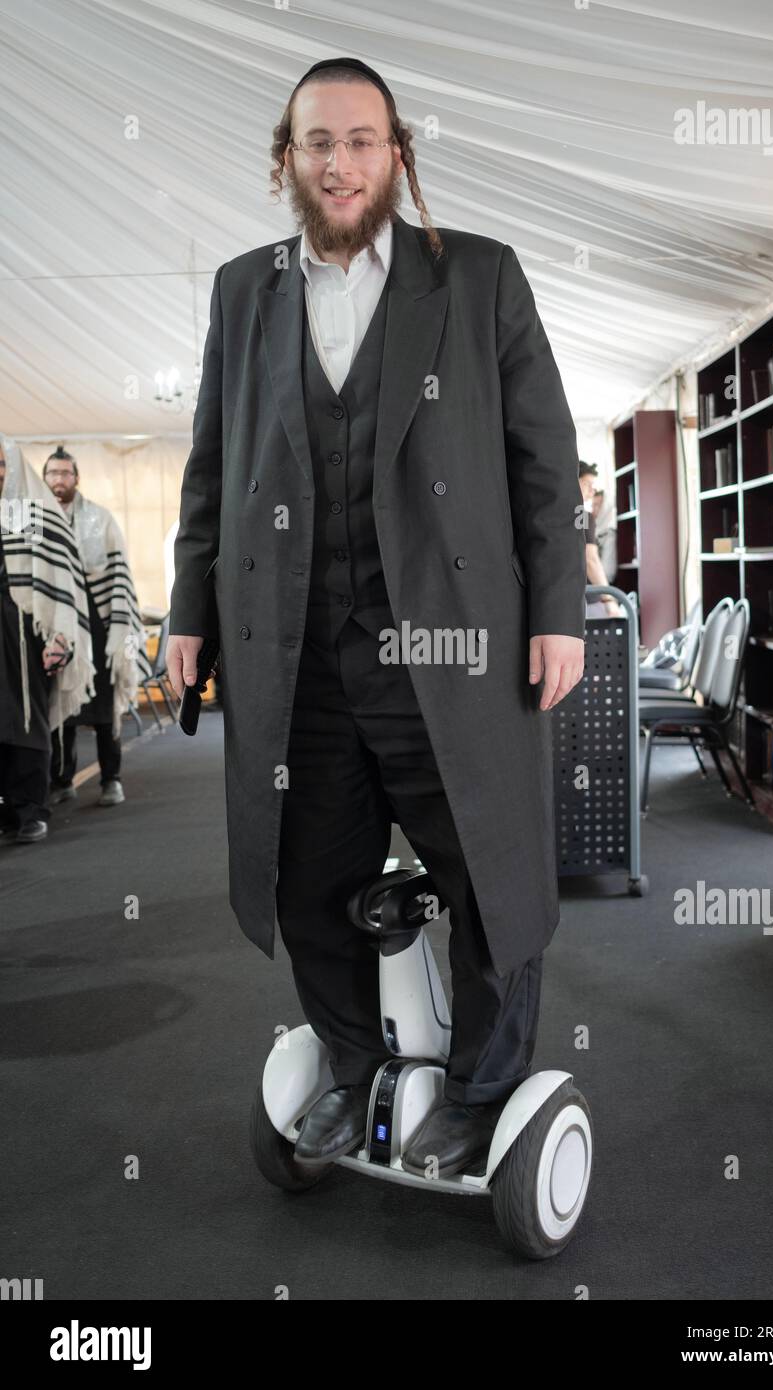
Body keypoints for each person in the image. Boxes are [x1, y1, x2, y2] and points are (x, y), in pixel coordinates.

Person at [167, 56, 586, 1178]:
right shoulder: (241, 290)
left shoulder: (478, 276)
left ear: (396, 154)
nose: (340, 162)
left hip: (450, 646)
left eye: (361, 140)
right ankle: (352, 1072)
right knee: (311, 874)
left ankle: (482, 1086)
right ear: (285, 160)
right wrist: (185, 612)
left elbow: (543, 459)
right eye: (318, 142)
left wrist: (557, 608)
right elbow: (211, 467)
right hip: (292, 652)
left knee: (486, 872)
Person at [0, 437, 94, 842]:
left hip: (24, 635)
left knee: (26, 722)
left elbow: (63, 580)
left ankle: (31, 810)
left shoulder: (38, 513)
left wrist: (61, 638)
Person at [44, 447, 147, 808]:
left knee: (104, 707)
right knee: (64, 704)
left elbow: (120, 576)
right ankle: (62, 779)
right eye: (53, 473)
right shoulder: (36, 518)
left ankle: (110, 778)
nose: (59, 480)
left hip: (100, 622)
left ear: (76, 478)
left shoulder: (99, 519)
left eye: (65, 473)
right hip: (60, 627)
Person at [578, 460, 622, 617]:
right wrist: (609, 600)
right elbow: (591, 560)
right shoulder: (582, 516)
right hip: (588, 601)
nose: (591, 491)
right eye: (587, 484)